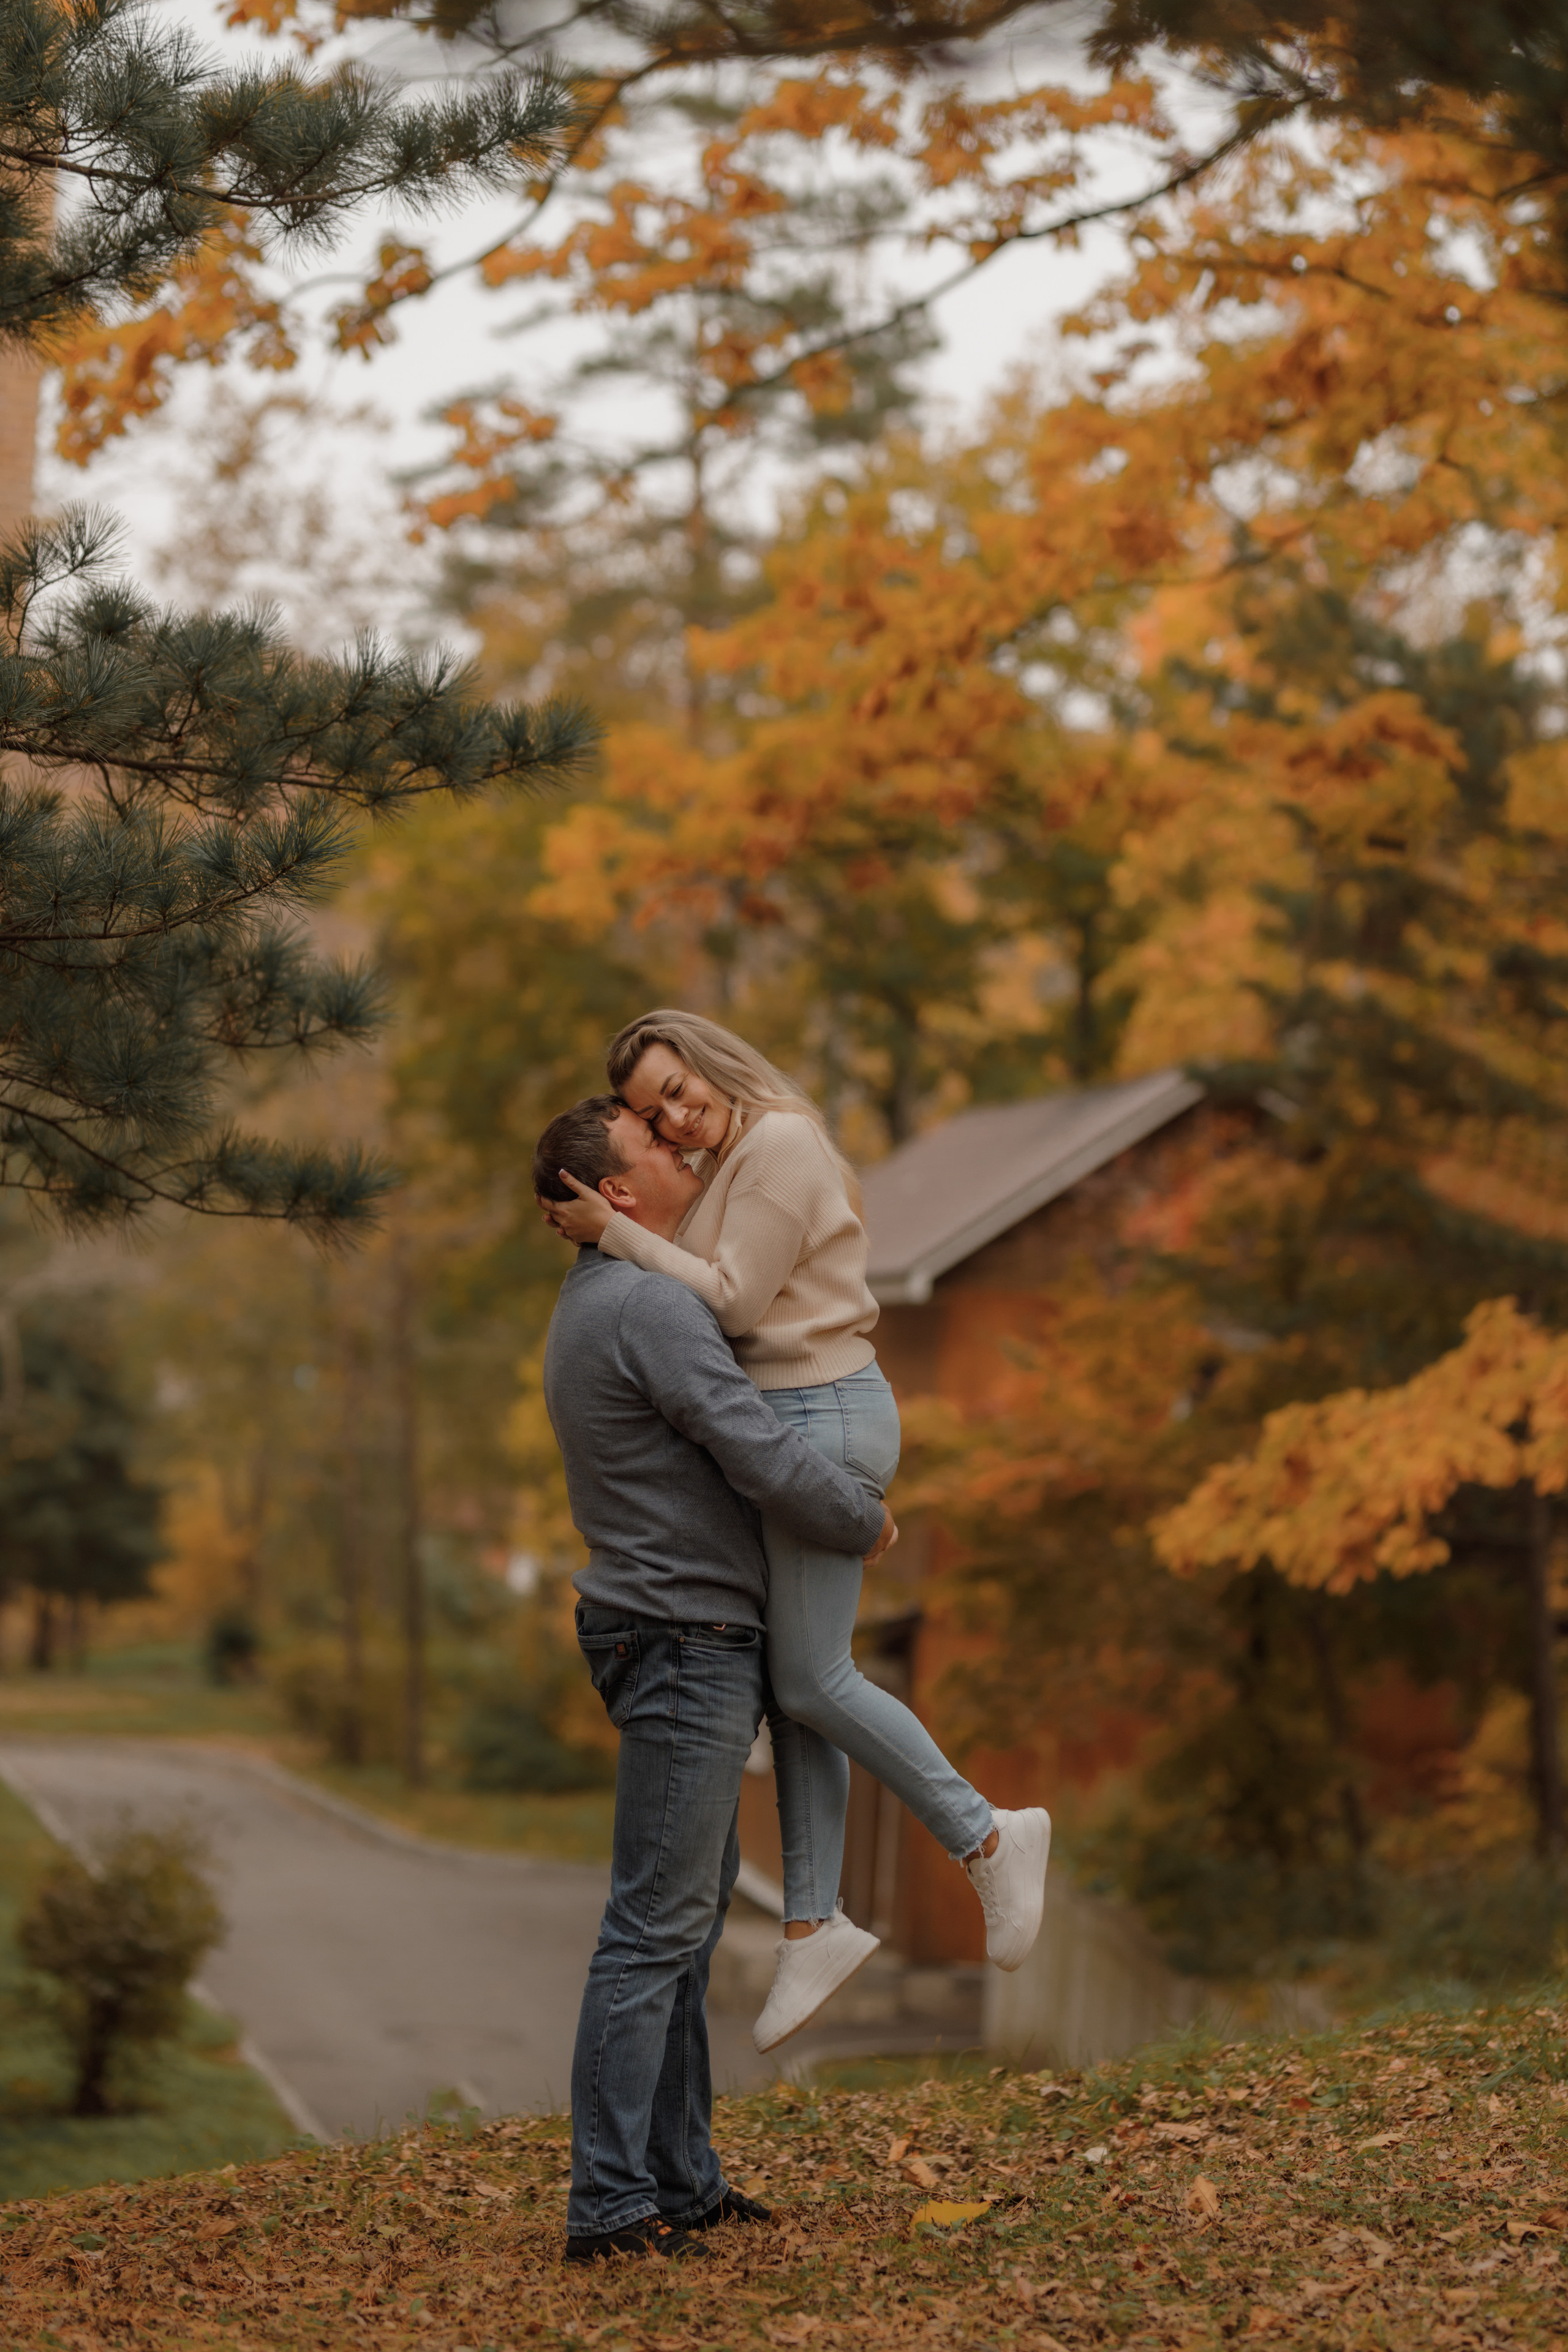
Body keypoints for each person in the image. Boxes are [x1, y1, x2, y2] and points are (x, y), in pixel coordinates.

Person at [543, 1010, 1052, 2054]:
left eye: (677, 1090)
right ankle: (814, 1922)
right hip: (803, 1418)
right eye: (651, 1114)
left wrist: (616, 1234)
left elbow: (728, 1307)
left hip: (819, 1412)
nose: (675, 1119)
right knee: (798, 1679)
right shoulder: (730, 1159)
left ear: (711, 1057)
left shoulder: (776, 1142)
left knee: (814, 1679)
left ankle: (988, 1834)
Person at [535, 1093, 897, 2264]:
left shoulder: (603, 1297)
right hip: (686, 1638)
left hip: (663, 1628)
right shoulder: (650, 1304)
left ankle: (684, 2180)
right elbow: (749, 1439)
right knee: (655, 1929)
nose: (682, 1145)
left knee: (683, 1931)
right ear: (618, 1196)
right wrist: (857, 1517)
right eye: (656, 1142)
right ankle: (607, 2205)